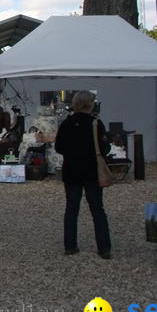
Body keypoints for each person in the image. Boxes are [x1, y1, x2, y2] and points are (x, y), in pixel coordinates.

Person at [54, 90, 112, 259]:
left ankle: (70, 245)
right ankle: (104, 247)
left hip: (72, 170)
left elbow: (59, 147)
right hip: (92, 171)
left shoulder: (67, 124)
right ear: (90, 104)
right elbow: (104, 148)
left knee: (72, 209)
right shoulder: (96, 124)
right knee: (97, 209)